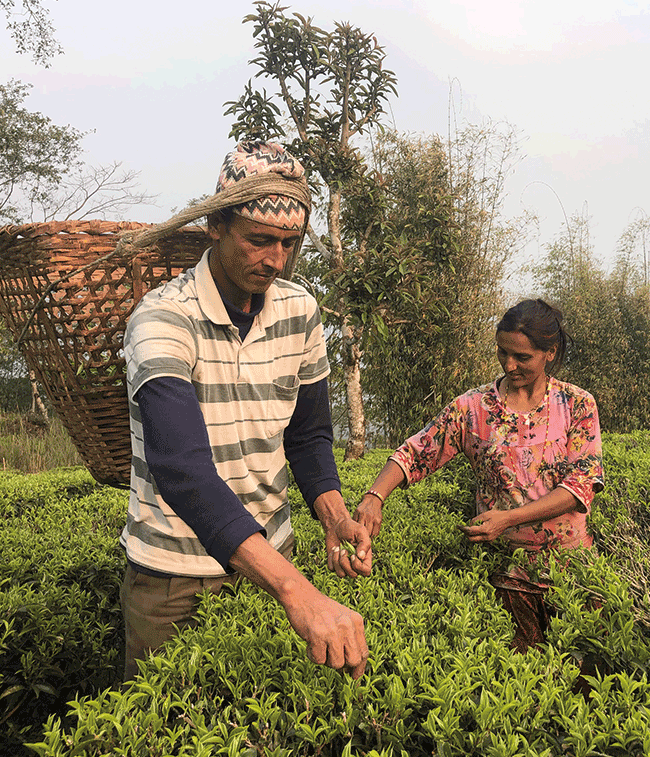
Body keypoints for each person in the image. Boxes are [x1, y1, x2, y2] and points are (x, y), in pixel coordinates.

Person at [120, 141, 371, 682]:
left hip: (269, 560)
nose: (275, 261)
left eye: (288, 243)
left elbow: (307, 438)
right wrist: (297, 592)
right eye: (259, 240)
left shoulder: (299, 308)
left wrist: (334, 517)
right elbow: (182, 472)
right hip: (173, 577)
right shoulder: (163, 318)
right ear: (215, 225)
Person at [354, 298, 604, 652]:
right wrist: (374, 497)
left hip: (572, 569)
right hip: (505, 573)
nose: (509, 364)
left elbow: (580, 488)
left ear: (550, 352)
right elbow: (417, 451)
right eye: (503, 352)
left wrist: (508, 518)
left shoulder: (576, 404)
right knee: (515, 678)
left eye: (522, 357)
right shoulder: (473, 408)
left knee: (582, 679)